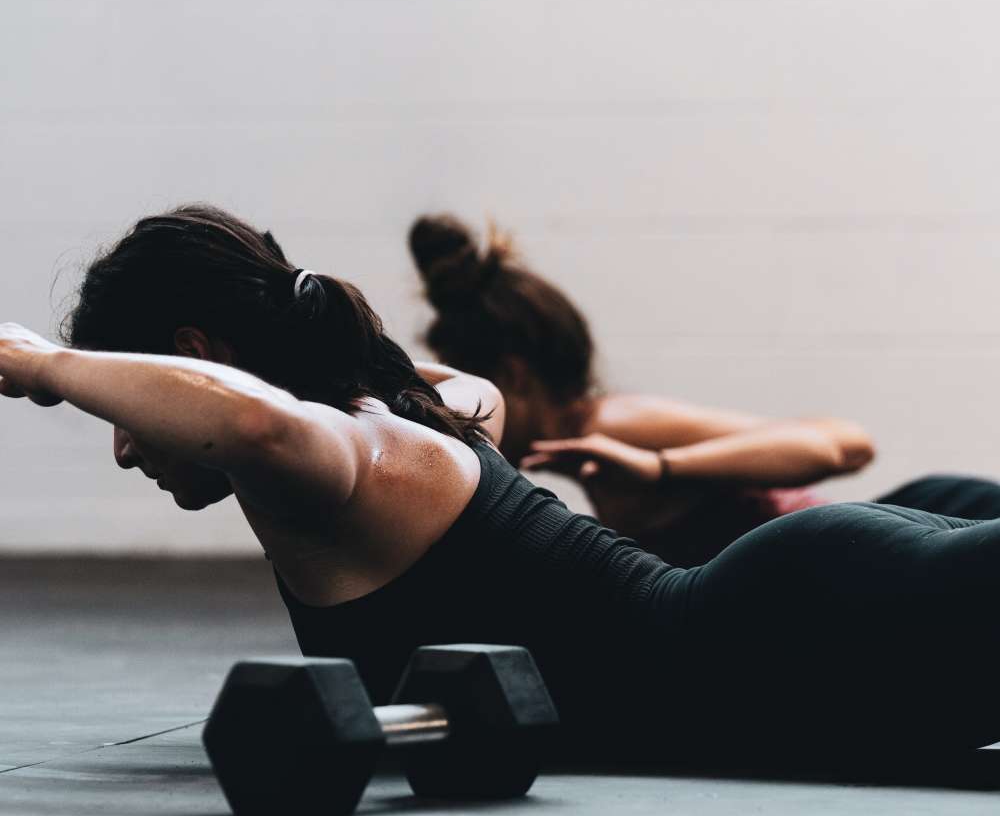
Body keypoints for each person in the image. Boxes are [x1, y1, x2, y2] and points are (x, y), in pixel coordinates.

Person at [4, 205, 1000, 766]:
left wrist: (43, 365)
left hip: (793, 639)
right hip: (800, 643)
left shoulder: (341, 459)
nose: (126, 447)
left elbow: (251, 418)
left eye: (126, 407)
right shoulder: (434, 409)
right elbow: (280, 396)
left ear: (191, 355)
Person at [409, 214, 1000, 565]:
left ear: (512, 376)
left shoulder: (615, 426)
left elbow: (843, 445)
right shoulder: (584, 454)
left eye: (467, 391)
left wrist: (662, 467)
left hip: (921, 531)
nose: (459, 415)